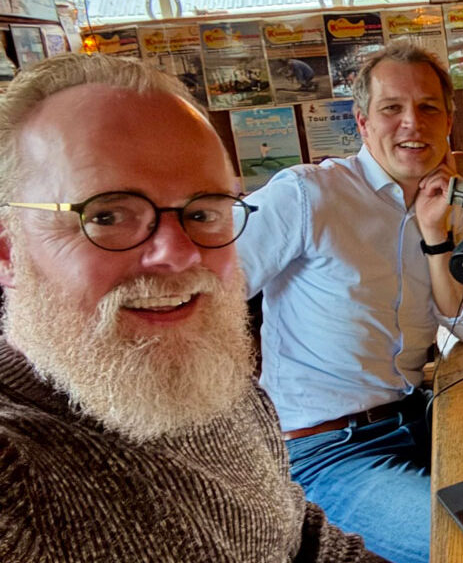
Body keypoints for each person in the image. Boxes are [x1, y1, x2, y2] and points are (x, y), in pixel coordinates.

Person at [0, 53, 382, 561]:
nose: (178, 254)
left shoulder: (211, 375)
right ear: (8, 252)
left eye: (202, 212)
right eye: (108, 214)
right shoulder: (14, 476)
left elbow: (307, 543)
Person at [236, 41, 463, 563]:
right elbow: (213, 287)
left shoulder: (448, 201)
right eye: (391, 108)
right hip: (326, 451)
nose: (411, 124)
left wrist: (435, 233)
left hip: (421, 418)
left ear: (448, 122)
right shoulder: (308, 195)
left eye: (428, 108)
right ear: (362, 122)